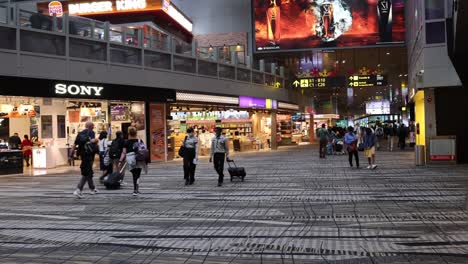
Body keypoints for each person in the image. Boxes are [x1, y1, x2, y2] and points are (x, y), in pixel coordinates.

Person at [71, 122, 99, 198]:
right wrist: (95, 140)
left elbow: (74, 145)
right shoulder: (91, 132)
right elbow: (92, 142)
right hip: (89, 156)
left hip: (83, 155)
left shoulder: (80, 133)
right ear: (90, 126)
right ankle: (78, 189)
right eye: (93, 125)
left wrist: (71, 155)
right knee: (86, 173)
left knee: (88, 172)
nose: (94, 127)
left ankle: (92, 188)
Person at [119, 126, 147, 196]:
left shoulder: (126, 142)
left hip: (131, 160)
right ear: (136, 133)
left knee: (134, 174)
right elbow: (144, 150)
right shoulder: (140, 141)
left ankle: (135, 190)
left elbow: (124, 152)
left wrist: (120, 161)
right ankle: (136, 189)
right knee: (138, 175)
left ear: (129, 133)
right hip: (139, 159)